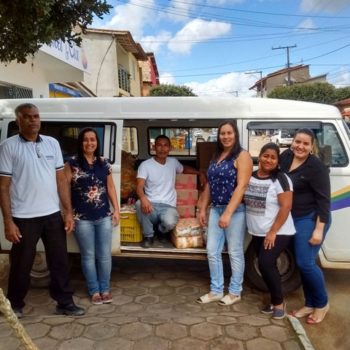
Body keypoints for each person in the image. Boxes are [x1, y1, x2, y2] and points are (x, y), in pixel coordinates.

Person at [0, 103, 85, 318]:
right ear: (18, 120)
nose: (33, 120)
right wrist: (8, 222)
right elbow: (3, 186)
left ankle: (65, 302)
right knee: (21, 263)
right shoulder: (8, 146)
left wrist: (67, 212)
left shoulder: (52, 144)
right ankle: (15, 304)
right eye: (27, 117)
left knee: (59, 261)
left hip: (51, 214)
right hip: (24, 216)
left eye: (36, 116)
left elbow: (61, 180)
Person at [197, 121, 252, 305]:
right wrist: (203, 208)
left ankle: (235, 292)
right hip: (216, 208)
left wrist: (228, 213)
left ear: (235, 134)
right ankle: (216, 291)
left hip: (235, 211)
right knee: (212, 250)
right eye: (222, 133)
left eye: (229, 133)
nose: (226, 136)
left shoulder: (242, 155)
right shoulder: (217, 156)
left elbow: (242, 186)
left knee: (235, 251)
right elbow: (209, 185)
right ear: (218, 136)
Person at [280, 128, 331, 325]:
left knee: (305, 263)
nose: (300, 146)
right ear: (292, 142)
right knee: (304, 263)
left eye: (305, 143)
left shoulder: (316, 167)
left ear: (311, 147)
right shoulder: (286, 157)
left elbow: (324, 201)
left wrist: (318, 230)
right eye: (297, 142)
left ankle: (323, 303)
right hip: (292, 219)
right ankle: (310, 303)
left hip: (311, 218)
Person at [64, 128, 120, 305]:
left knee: (104, 256)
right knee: (88, 256)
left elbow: (110, 188)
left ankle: (105, 289)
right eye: (86, 140)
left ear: (97, 142)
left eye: (93, 140)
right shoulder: (71, 163)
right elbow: (64, 189)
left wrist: (117, 210)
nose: (89, 143)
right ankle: (94, 291)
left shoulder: (104, 163)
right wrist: (68, 214)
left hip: (103, 215)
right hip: (81, 218)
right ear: (81, 143)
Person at [244, 143, 295, 319]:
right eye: (266, 155)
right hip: (257, 232)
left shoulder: (281, 179)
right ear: (260, 156)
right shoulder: (250, 177)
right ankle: (274, 302)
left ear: (277, 161)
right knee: (267, 266)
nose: (268, 160)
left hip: (278, 232)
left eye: (273, 157)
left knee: (266, 264)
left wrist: (273, 231)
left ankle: (279, 303)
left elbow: (286, 207)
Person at [136, 134, 206, 248]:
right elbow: (139, 187)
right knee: (139, 204)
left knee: (170, 222)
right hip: (151, 205)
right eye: (159, 145)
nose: (162, 149)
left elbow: (184, 169)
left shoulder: (173, 162)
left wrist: (200, 173)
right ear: (154, 147)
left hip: (168, 205)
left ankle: (161, 231)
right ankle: (148, 236)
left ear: (170, 148)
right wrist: (143, 199)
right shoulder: (145, 165)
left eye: (165, 146)